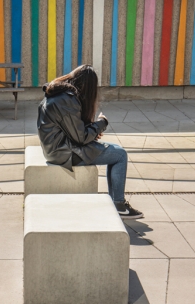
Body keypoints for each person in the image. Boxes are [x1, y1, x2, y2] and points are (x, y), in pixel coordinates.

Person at [37, 64, 143, 219]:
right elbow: (81, 137)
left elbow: (73, 128)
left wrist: (92, 131)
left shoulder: (60, 95)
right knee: (120, 155)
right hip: (64, 152)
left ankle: (117, 203)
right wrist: (101, 123)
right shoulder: (67, 100)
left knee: (116, 149)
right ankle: (118, 204)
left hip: (57, 148)